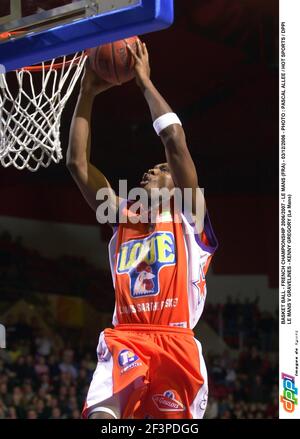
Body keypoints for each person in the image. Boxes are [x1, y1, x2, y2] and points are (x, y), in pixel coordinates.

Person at [67, 40, 218, 419]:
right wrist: (86, 91)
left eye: (162, 169)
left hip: (175, 343)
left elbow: (174, 141)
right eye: (150, 169)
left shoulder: (190, 216)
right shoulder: (122, 214)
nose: (151, 171)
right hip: (126, 339)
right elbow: (77, 164)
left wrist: (143, 81)